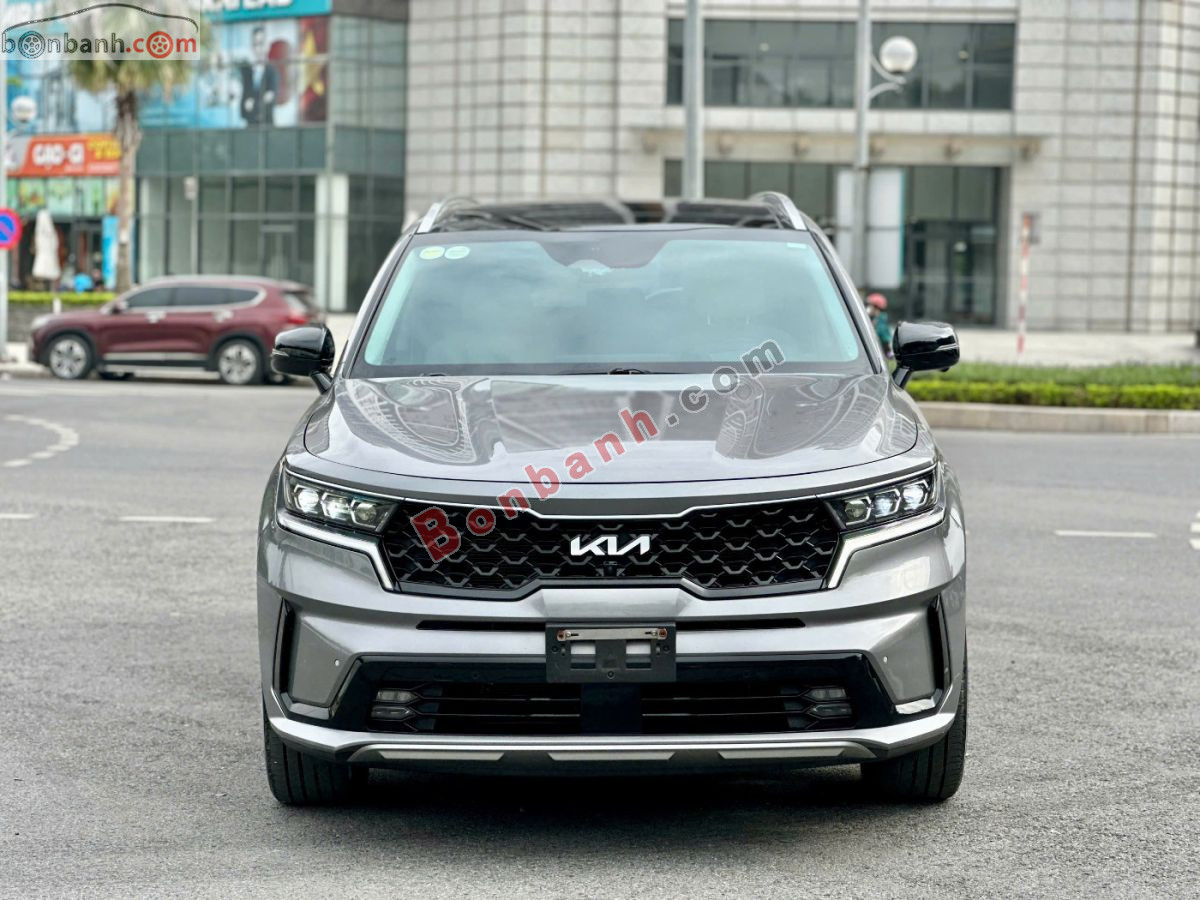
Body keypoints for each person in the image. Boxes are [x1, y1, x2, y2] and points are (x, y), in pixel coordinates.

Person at [238, 26, 277, 125]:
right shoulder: (248, 73)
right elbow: (243, 109)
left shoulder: (272, 72)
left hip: (267, 128)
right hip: (250, 127)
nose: (258, 49)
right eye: (255, 45)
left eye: (261, 44)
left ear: (267, 46)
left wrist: (252, 104)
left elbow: (269, 100)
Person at [865, 292, 892, 358]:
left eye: (870, 306)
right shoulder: (874, 319)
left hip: (883, 350)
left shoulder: (881, 320)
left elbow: (882, 336)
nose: (868, 308)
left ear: (876, 307)